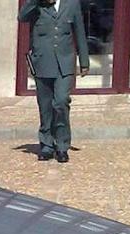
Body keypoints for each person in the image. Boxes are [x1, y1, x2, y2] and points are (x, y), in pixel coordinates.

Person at [19, 0, 90, 163]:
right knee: (45, 106)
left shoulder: (72, 4)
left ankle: (62, 145)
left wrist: (84, 61)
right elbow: (22, 17)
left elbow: (79, 31)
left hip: (64, 63)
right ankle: (46, 145)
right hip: (42, 62)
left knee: (61, 102)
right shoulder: (37, 6)